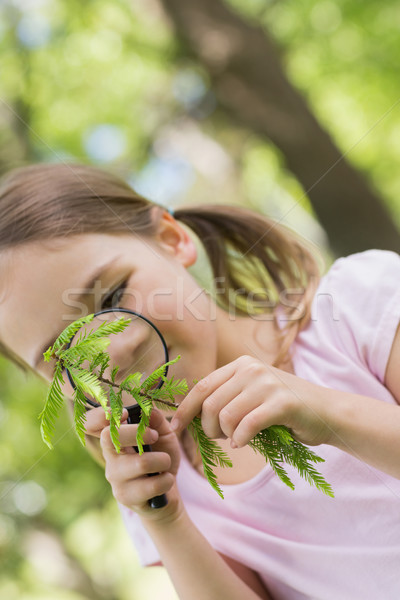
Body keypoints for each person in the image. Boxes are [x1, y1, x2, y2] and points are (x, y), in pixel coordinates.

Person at [0, 162, 399, 600]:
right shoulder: (163, 488)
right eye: (65, 355)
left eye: (113, 296)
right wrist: (166, 522)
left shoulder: (359, 311)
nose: (113, 352)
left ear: (172, 239)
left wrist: (328, 412)